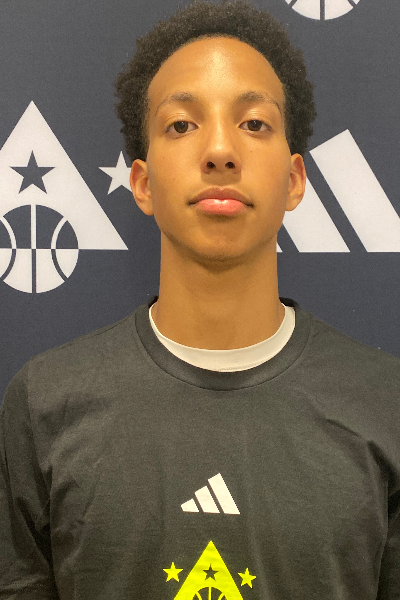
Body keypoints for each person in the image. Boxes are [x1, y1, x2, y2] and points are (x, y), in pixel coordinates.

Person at [1, 1, 400, 598]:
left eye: (254, 124)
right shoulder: (46, 404)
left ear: (294, 181)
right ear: (142, 183)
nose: (219, 150)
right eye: (182, 125)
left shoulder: (387, 405)